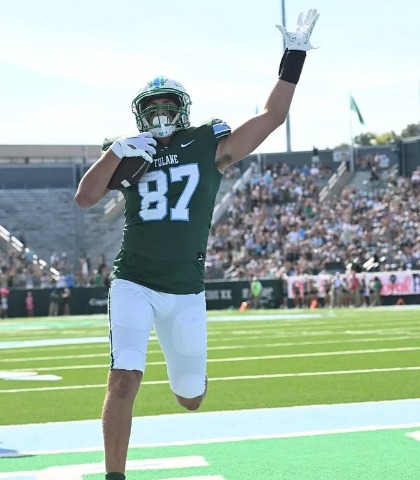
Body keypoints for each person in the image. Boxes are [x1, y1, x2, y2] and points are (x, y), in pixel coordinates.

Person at [74, 9, 320, 479]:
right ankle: (114, 475)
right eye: (152, 107)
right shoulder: (127, 150)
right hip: (134, 281)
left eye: (168, 105)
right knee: (123, 380)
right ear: (139, 113)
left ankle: (189, 373)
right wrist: (115, 152)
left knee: (190, 398)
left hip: (185, 288)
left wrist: (293, 58)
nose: (160, 114)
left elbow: (273, 116)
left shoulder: (208, 142)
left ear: (182, 108)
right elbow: (85, 198)